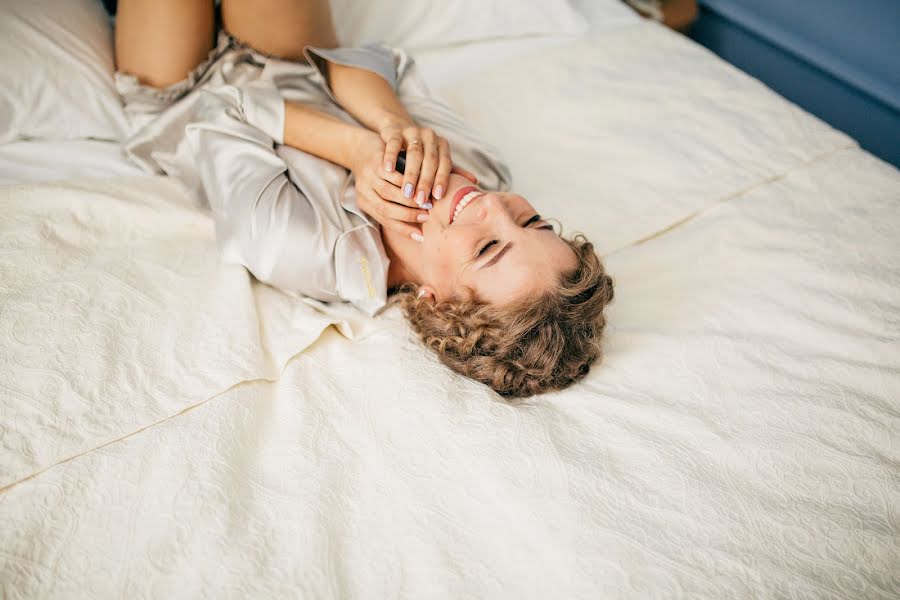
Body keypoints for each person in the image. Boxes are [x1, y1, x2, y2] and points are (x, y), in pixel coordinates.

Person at [110, 0, 615, 398]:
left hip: (178, 93)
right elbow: (383, 61)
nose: (493, 207)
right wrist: (393, 125)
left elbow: (218, 111)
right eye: (532, 221)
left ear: (435, 302)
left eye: (486, 248)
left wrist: (355, 149)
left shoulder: (306, 249)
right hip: (295, 62)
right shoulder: (481, 170)